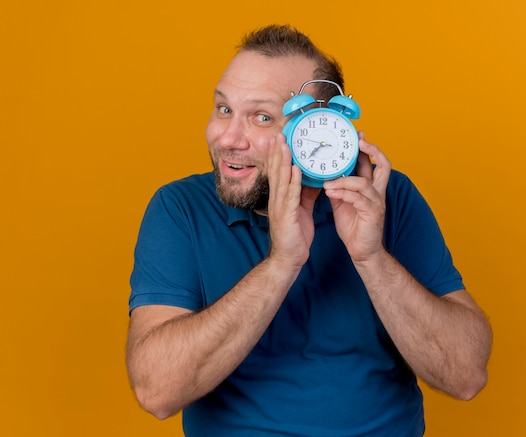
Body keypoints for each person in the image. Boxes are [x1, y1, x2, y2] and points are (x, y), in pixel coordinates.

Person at [126, 24, 492, 436]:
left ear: (316, 131)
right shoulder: (181, 209)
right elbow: (156, 392)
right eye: (224, 109)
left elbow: (465, 376)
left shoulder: (386, 196)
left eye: (262, 118)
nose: (227, 138)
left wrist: (371, 258)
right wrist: (283, 262)